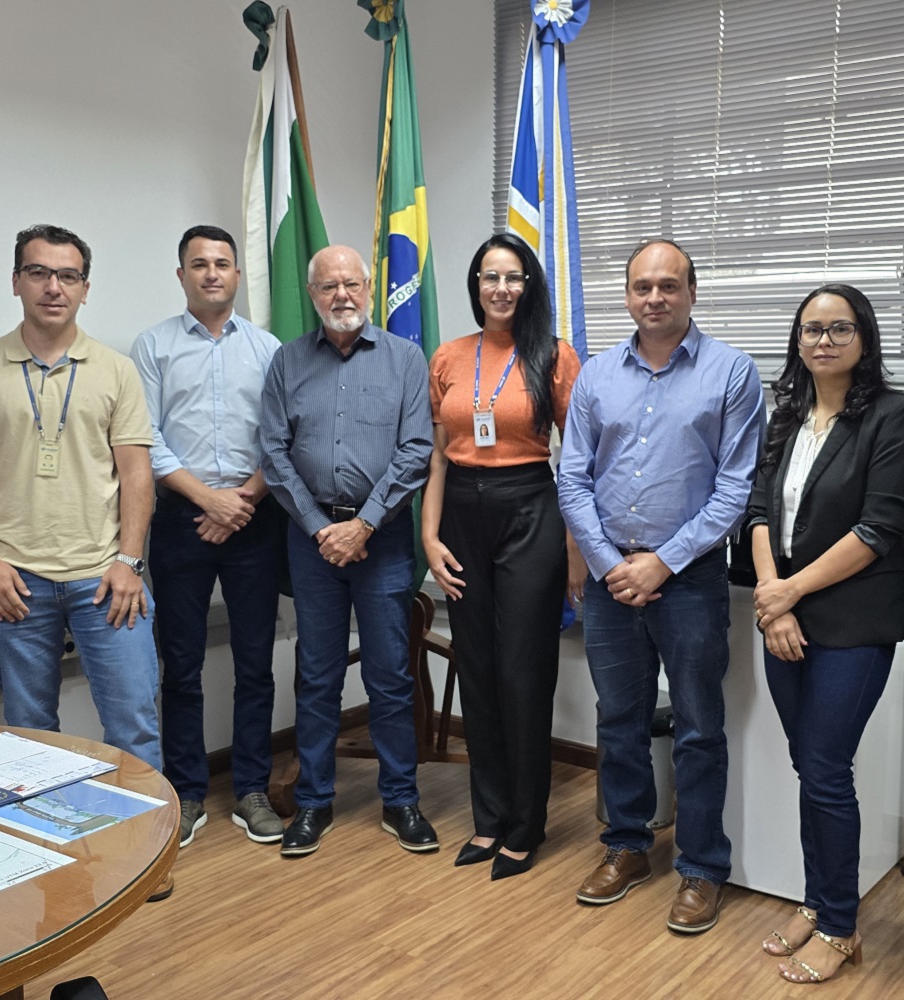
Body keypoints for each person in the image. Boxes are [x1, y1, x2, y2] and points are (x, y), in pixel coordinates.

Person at [557, 239, 764, 932]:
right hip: (612, 577)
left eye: (668, 285)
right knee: (619, 721)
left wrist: (663, 562)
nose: (655, 297)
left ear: (691, 292)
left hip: (691, 580)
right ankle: (626, 846)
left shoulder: (732, 373)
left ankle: (701, 868)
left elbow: (735, 488)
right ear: (626, 295)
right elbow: (574, 476)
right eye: (642, 286)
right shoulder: (595, 376)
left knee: (700, 729)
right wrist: (609, 560)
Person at [745, 284, 904, 984]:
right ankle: (819, 903)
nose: (823, 340)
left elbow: (880, 529)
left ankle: (842, 926)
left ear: (864, 338)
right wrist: (773, 602)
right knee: (810, 767)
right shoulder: (786, 413)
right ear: (797, 340)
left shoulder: (894, 416)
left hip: (853, 621)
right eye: (811, 329)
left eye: (839, 328)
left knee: (825, 767)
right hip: (783, 617)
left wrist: (789, 592)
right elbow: (758, 509)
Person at [0, 224, 162, 771]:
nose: (53, 287)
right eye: (38, 273)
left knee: (133, 721)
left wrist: (130, 561)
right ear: (16, 281)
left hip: (105, 576)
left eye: (68, 276)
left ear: (85, 288)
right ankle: (49, 845)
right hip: (15, 578)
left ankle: (144, 845)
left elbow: (137, 473)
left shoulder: (117, 369)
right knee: (28, 731)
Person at [259, 244, 437, 858]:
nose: (342, 295)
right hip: (312, 543)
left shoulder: (405, 359)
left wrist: (362, 524)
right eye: (329, 286)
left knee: (390, 675)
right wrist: (319, 527)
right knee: (317, 675)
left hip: (382, 540)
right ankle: (312, 802)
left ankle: (401, 799)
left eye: (353, 284)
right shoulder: (287, 362)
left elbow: (417, 450)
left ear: (369, 287)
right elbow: (274, 454)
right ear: (313, 295)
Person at [423, 233, 583, 880]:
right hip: (460, 511)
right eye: (490, 276)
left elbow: (578, 460)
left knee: (522, 673)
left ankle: (525, 824)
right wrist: (429, 538)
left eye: (513, 277)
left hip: (530, 511)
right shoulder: (449, 357)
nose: (500, 289)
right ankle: (488, 819)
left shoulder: (555, 356)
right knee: (478, 668)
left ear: (529, 285)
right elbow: (437, 455)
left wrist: (575, 548)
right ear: (475, 285)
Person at [131, 224, 284, 848]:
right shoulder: (153, 346)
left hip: (254, 519)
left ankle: (250, 789)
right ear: (182, 275)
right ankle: (187, 790)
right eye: (199, 264)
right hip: (179, 521)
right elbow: (145, 437)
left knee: (255, 664)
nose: (212, 273)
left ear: (238, 274)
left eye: (223, 263)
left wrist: (241, 500)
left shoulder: (270, 348)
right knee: (183, 665)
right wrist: (208, 500)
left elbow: (281, 438)